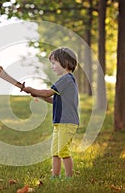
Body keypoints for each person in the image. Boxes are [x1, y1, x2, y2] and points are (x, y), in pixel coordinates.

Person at [23, 47, 79, 180]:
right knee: (55, 152)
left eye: (54, 63)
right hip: (60, 122)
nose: (52, 67)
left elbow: (48, 92)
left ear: (64, 62)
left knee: (63, 151)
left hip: (67, 122)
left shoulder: (66, 79)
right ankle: (55, 176)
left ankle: (69, 177)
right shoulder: (66, 80)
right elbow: (53, 99)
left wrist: (32, 89)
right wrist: (37, 94)